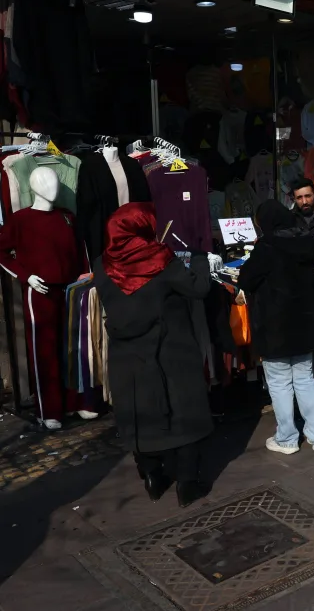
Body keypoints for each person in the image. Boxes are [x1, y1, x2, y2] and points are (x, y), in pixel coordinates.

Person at [94, 202, 215, 507]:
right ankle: (187, 484)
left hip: (128, 355)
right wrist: (200, 259)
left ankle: (152, 477)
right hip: (170, 350)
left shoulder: (101, 264)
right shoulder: (161, 260)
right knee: (183, 412)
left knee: (140, 414)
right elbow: (199, 288)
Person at [238, 200, 314, 454]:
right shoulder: (305, 241)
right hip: (303, 323)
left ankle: (287, 438)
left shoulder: (267, 247)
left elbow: (247, 278)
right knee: (305, 379)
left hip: (274, 326)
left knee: (280, 383)